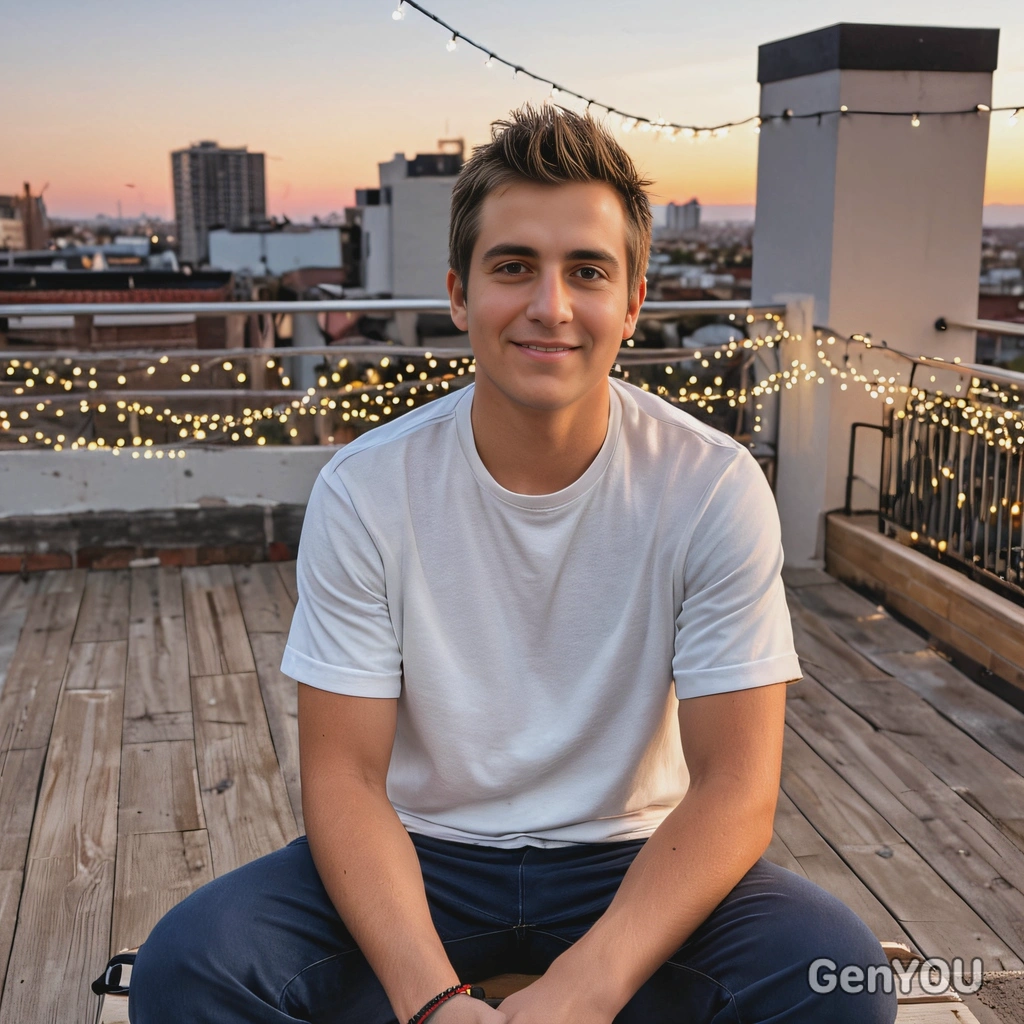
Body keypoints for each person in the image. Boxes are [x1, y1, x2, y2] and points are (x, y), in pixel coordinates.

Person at [130, 105, 896, 1024]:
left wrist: (586, 987)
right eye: (513, 267)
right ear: (459, 295)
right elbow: (342, 781)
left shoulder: (711, 485)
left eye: (586, 271)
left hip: (629, 854)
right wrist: (432, 1002)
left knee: (835, 976)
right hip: (420, 853)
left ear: (634, 301)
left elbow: (736, 789)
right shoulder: (367, 489)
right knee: (187, 970)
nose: (550, 306)